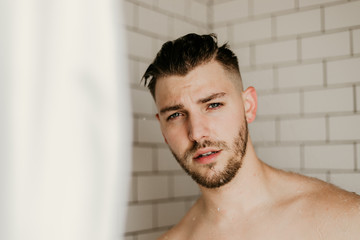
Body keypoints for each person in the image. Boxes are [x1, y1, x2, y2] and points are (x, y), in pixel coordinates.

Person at [142, 33, 360, 239]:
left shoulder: (344, 221)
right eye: (176, 115)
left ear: (249, 106)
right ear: (163, 130)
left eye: (213, 105)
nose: (197, 133)